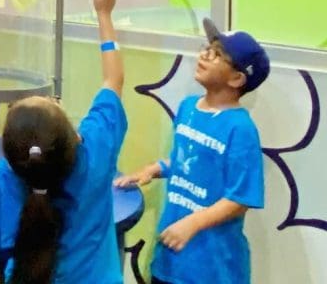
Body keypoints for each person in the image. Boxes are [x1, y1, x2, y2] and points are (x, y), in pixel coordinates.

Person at [0, 0, 126, 284]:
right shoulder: (96, 152)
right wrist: (104, 15)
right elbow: (113, 79)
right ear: (73, 135)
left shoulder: (6, 177)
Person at [115, 18, 269, 284]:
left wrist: (193, 224)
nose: (205, 55)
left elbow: (240, 198)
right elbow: (187, 160)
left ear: (237, 78)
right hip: (170, 262)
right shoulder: (187, 108)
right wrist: (153, 169)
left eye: (218, 54)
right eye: (207, 47)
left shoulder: (240, 129)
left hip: (211, 269)